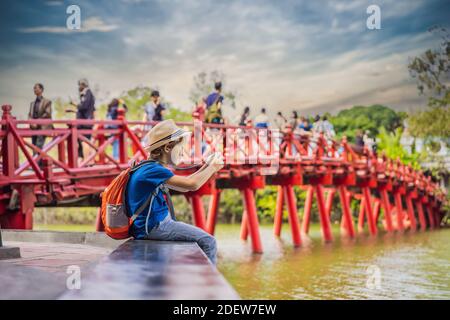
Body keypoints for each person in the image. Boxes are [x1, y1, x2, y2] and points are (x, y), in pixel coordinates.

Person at [126, 119, 223, 264]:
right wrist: (213, 168)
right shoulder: (153, 170)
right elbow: (192, 184)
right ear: (167, 148)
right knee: (209, 242)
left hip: (152, 225)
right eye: (180, 146)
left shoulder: (148, 167)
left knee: (204, 240)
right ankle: (209, 285)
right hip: (155, 227)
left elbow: (184, 185)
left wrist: (207, 166)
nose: (182, 150)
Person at [68, 79, 95, 160]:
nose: (79, 87)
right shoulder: (86, 94)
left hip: (85, 123)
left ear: (83, 85)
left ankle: (87, 161)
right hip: (84, 122)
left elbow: (84, 107)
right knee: (82, 141)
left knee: (85, 142)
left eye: (80, 85)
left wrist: (74, 104)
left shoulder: (88, 93)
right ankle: (84, 160)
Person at [28, 83, 52, 157]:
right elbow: (29, 114)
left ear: (41, 90)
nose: (34, 89)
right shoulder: (32, 103)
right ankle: (39, 165)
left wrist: (37, 121)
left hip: (43, 127)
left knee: (38, 146)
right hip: (34, 128)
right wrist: (30, 122)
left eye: (36, 88)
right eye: (34, 88)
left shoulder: (47, 101)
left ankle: (36, 166)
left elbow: (48, 113)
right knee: (34, 146)